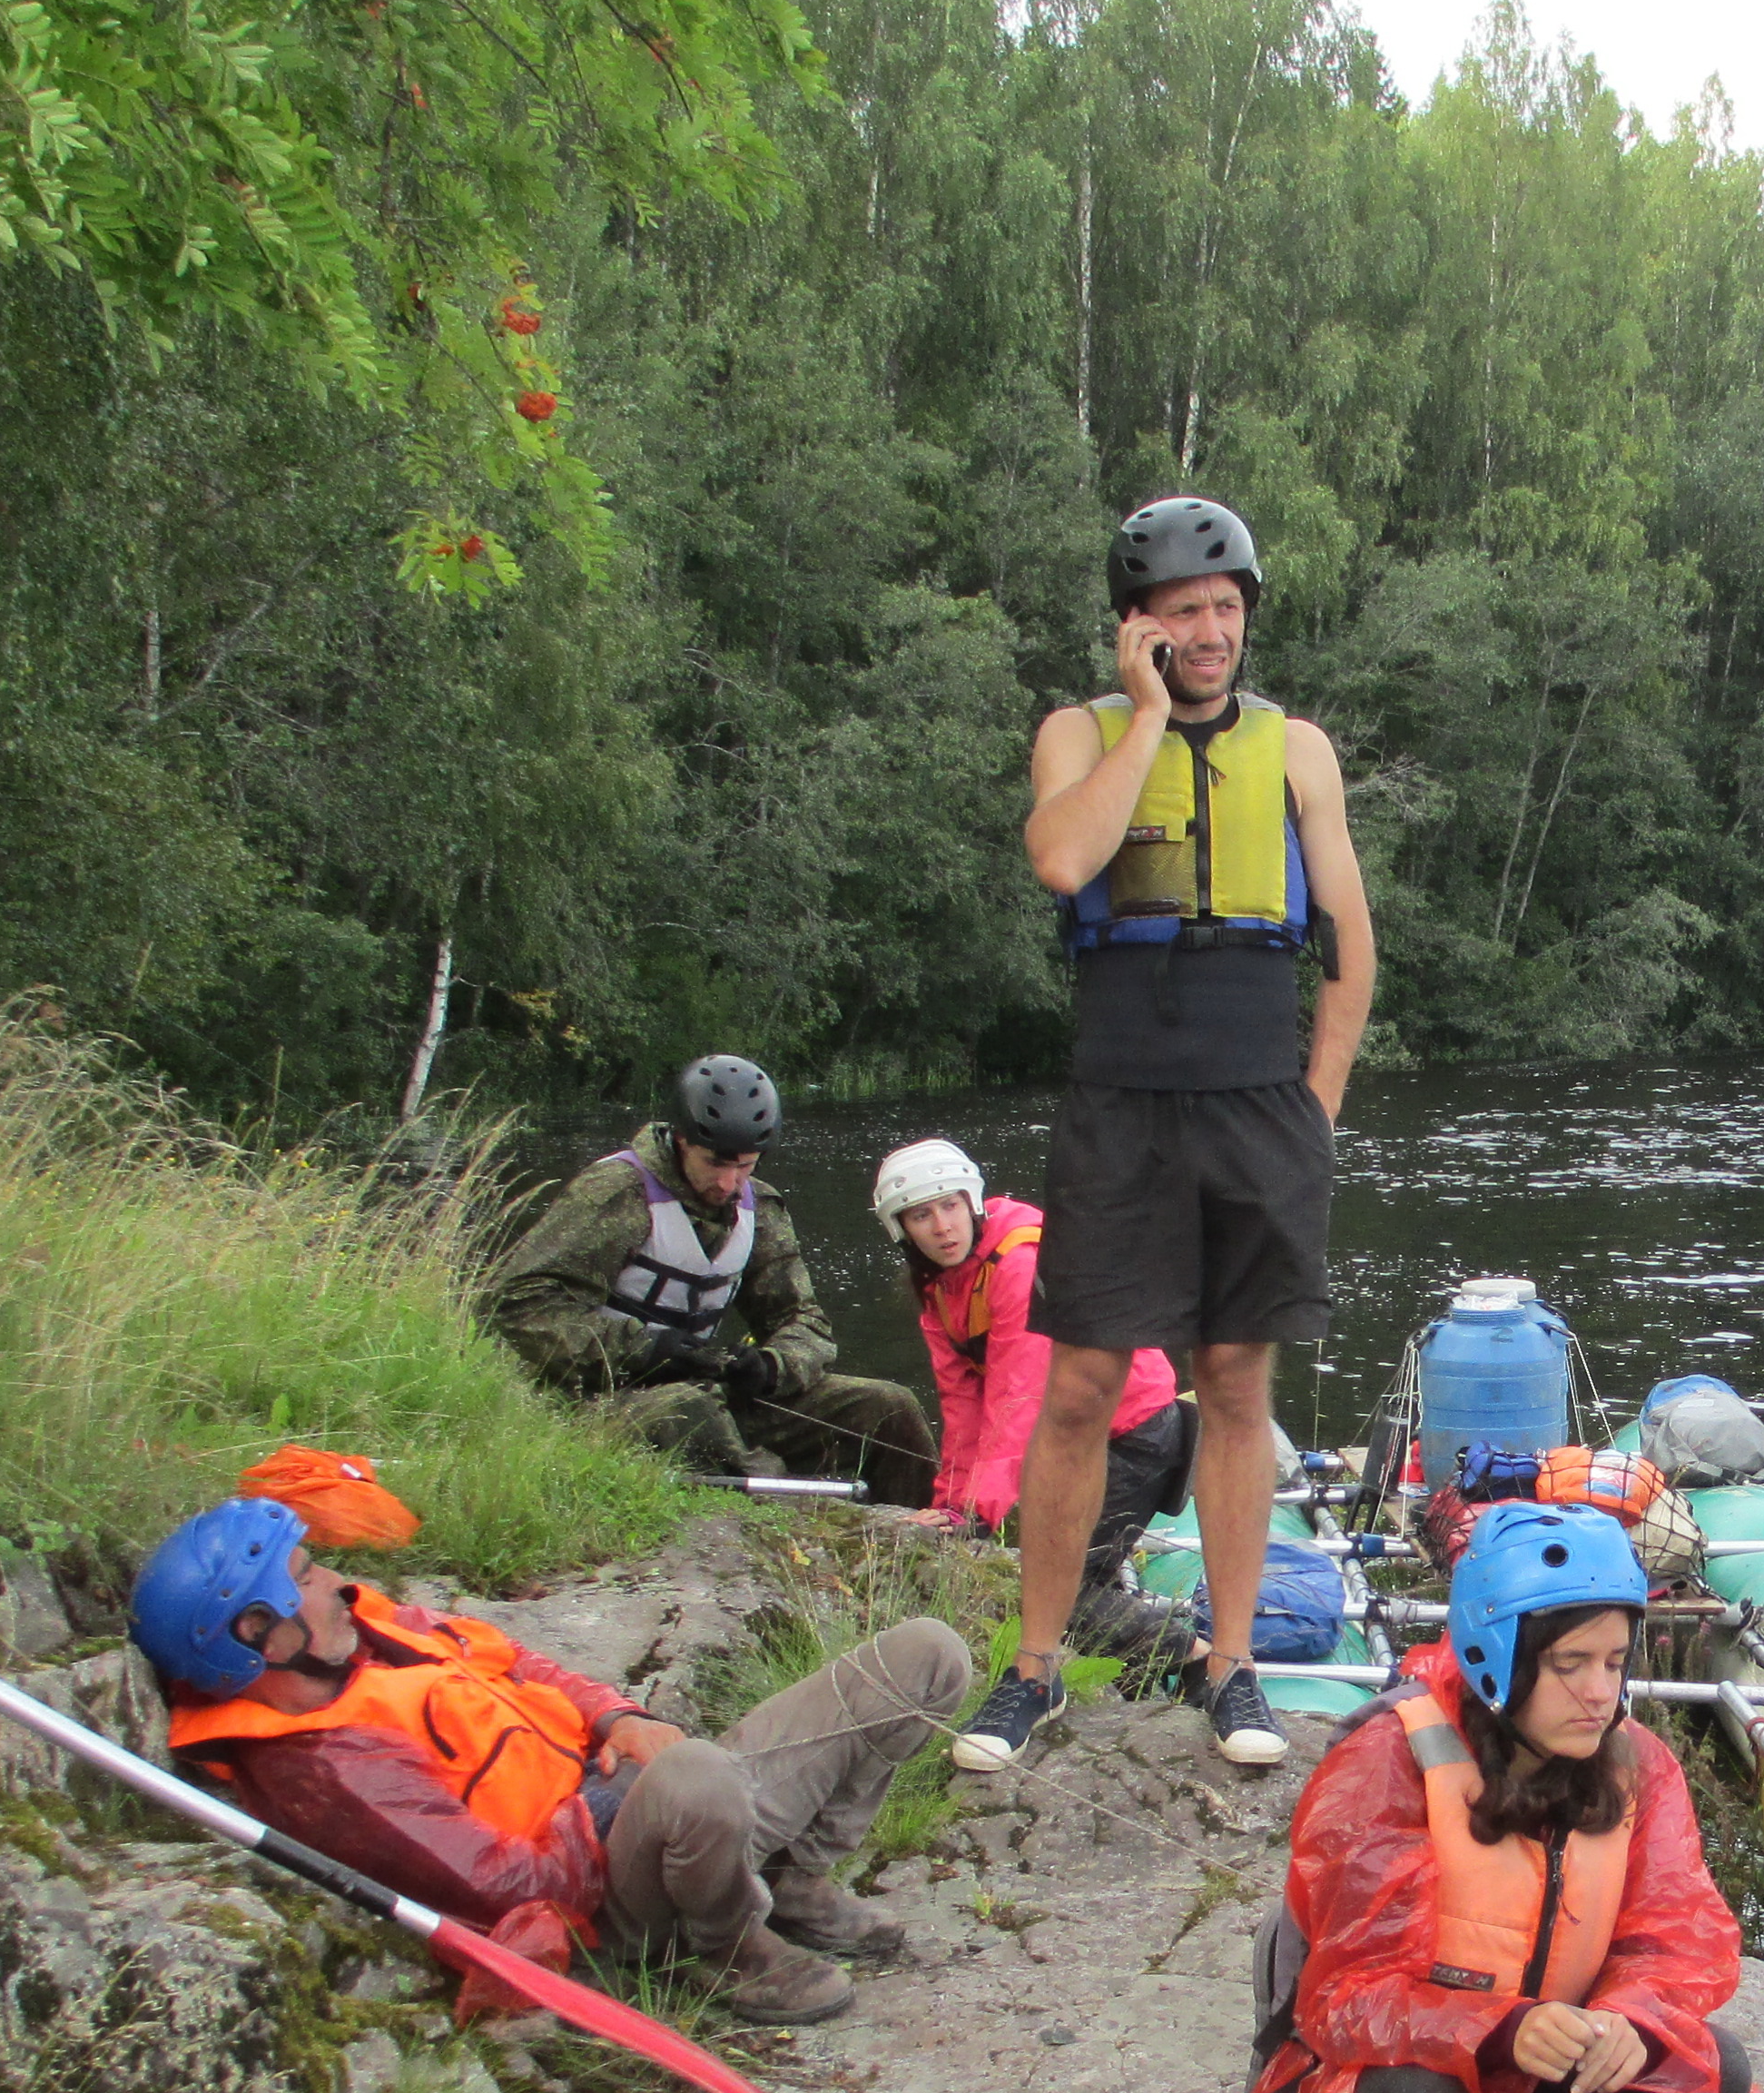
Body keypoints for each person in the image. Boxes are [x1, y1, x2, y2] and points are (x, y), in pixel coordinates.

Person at [969, 496, 1375, 1776]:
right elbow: (1060, 858)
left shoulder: (1298, 751)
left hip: (1259, 1104)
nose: (1211, 634)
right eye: (1185, 613)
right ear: (1139, 626)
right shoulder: (1079, 733)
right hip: (1123, 1104)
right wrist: (1145, 718)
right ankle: (1030, 1670)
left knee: (1238, 1385)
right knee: (1083, 1387)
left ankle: (1232, 1663)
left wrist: (1316, 1109)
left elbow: (1351, 952)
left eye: (1226, 609)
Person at [1243, 1504, 1764, 2093]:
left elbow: (1679, 1936)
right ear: (1496, 1656)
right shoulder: (1388, 1764)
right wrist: (1496, 2029)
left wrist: (1629, 2018)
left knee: (1711, 2071)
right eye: (1568, 1663)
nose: (1599, 1691)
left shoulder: (1636, 1763)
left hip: (1529, 2085)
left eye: (1615, 1661)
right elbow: (1343, 2004)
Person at [132, 1497, 969, 2025]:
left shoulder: (370, 1637)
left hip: (664, 1813)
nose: (339, 1583)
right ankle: (724, 1949)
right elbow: (507, 1889)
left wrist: (618, 1716)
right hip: (611, 1896)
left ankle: (793, 1881)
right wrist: (625, 1796)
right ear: (256, 1635)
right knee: (697, 1779)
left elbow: (517, 1663)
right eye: (307, 1577)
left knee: (926, 1656)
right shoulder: (325, 1766)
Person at [493, 1054, 934, 1500]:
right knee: (688, 1413)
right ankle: (771, 1506)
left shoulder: (759, 1209)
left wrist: (770, 1366)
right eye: (716, 1163)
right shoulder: (617, 1193)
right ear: (682, 1140)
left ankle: (936, 1533)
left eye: (745, 1165)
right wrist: (644, 1348)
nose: (729, 1183)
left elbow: (806, 1323)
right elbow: (520, 1306)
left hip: (706, 1390)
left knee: (888, 1407)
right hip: (598, 1398)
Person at [872, 1134, 1200, 1670]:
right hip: (1076, 1436)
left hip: (1133, 1436)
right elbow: (964, 1407)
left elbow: (1018, 1399)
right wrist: (952, 1505)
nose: (942, 1227)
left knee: (1057, 1590)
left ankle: (1193, 1660)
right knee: (1048, 1577)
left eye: (951, 1205)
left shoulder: (1017, 1264)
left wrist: (981, 1513)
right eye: (921, 1216)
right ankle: (1121, 1662)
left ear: (971, 1202)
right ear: (901, 1229)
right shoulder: (940, 1288)